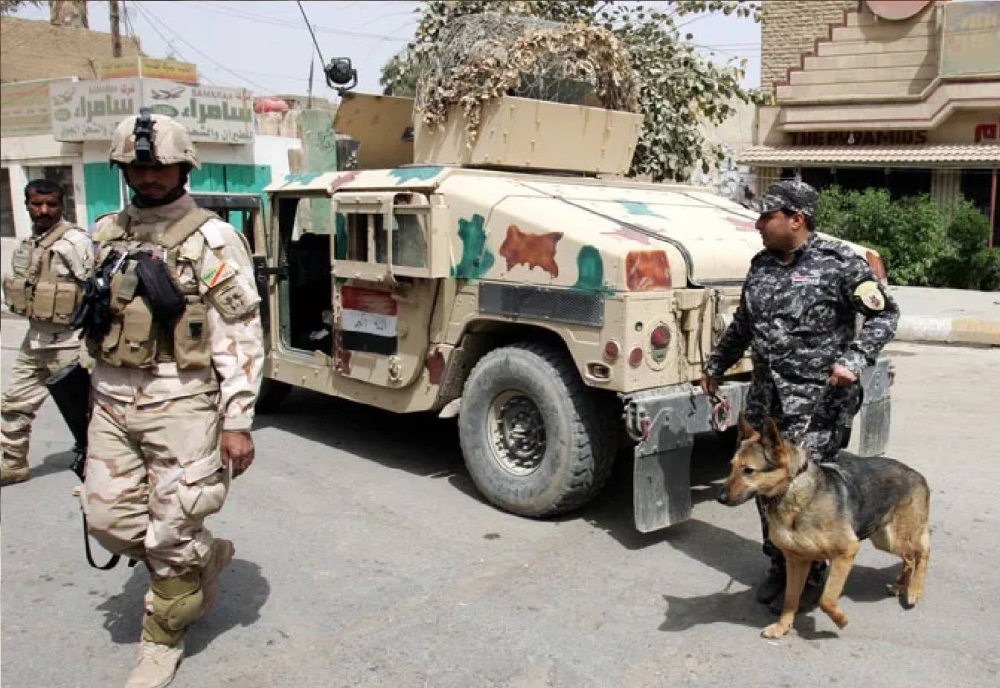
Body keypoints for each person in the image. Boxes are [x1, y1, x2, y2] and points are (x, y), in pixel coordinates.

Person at [80, 109, 264, 688]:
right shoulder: (105, 233)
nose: (148, 176)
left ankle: (162, 639)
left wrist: (237, 419)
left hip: (182, 401)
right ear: (122, 170)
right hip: (110, 397)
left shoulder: (212, 238)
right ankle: (200, 558)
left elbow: (240, 334)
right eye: (137, 167)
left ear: (184, 167)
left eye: (160, 166)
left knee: (173, 530)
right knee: (107, 520)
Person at [701, 179, 899, 612]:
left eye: (766, 216)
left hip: (819, 404)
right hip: (766, 401)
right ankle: (781, 561)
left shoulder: (840, 264)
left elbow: (885, 316)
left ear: (797, 219)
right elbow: (743, 324)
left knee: (810, 492)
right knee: (765, 486)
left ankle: (815, 570)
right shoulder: (761, 265)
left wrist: (854, 359)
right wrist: (716, 365)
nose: (758, 224)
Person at [1, 179, 94, 485]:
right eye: (37, 204)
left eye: (51, 204)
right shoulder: (30, 244)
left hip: (69, 343)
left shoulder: (74, 243)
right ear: (26, 205)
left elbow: (94, 291)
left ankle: (99, 469)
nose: (44, 210)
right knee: (14, 403)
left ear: (62, 205)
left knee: (85, 413)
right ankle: (13, 463)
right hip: (36, 339)